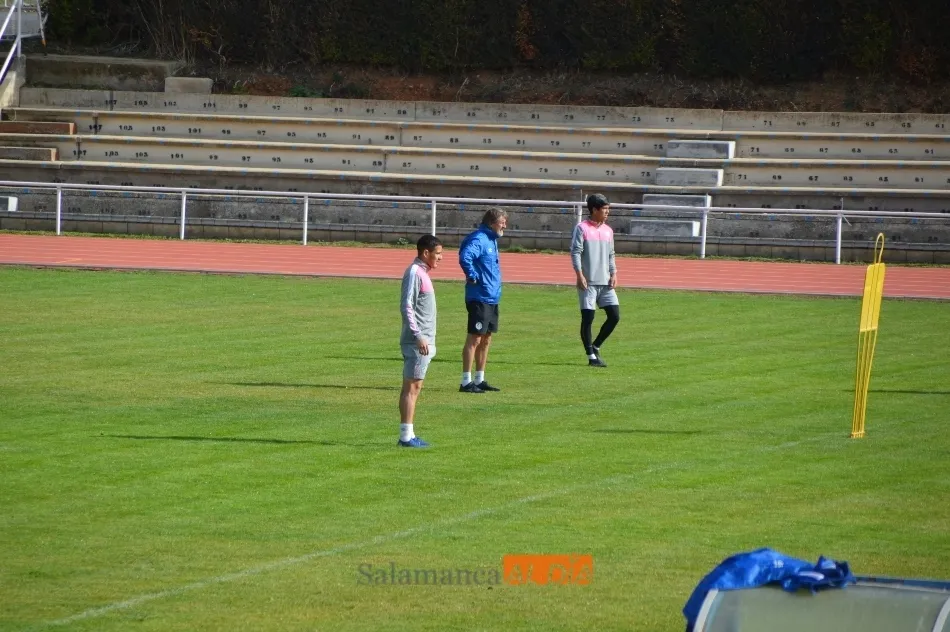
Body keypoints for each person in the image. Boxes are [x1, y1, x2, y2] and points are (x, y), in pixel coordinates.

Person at [398, 234, 443, 448]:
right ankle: (406, 437)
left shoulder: (422, 273)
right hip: (417, 343)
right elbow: (407, 305)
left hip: (424, 341)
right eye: (438, 253)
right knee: (412, 387)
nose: (441, 257)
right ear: (426, 253)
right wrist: (418, 336)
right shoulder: (415, 272)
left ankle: (408, 434)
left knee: (414, 387)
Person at [458, 208, 508, 393]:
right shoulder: (479, 239)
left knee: (486, 338)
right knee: (475, 338)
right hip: (479, 296)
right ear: (492, 223)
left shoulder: (491, 239)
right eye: (502, 222)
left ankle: (479, 379)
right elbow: (465, 257)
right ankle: (466, 381)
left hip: (492, 296)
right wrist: (472, 275)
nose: (505, 226)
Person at [571, 193, 620, 367]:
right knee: (588, 318)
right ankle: (591, 356)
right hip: (588, 283)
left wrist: (614, 273)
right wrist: (579, 275)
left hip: (605, 282)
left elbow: (611, 254)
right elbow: (576, 252)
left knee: (614, 316)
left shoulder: (608, 231)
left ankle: (596, 345)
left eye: (608, 209)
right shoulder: (582, 228)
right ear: (594, 210)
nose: (607, 212)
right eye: (604, 209)